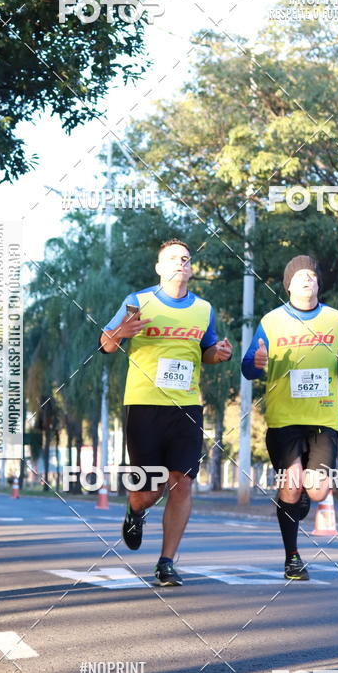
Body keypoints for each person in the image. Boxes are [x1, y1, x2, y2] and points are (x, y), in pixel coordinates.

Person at [100, 239, 233, 587]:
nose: (180, 263)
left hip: (187, 406)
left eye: (186, 259)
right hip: (144, 405)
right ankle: (135, 509)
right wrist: (121, 331)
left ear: (191, 269)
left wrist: (220, 353)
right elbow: (106, 344)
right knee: (150, 491)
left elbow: (207, 351)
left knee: (182, 483)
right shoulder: (138, 301)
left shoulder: (204, 309)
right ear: (159, 268)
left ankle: (166, 562)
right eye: (173, 258)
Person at [242, 255, 338, 580]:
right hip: (284, 417)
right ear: (288, 286)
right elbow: (248, 368)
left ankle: (304, 495)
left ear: (318, 283)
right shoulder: (271, 321)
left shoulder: (336, 319)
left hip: (322, 417)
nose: (307, 279)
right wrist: (257, 361)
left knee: (318, 490)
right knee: (291, 484)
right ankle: (292, 557)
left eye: (311, 275)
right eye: (299, 276)